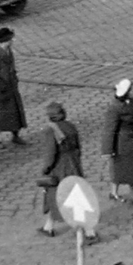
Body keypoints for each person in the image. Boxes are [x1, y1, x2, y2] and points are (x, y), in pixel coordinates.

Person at [36, 101, 95, 241]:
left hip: (59, 168)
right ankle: (48, 226)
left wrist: (45, 169)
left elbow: (50, 155)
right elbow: (78, 147)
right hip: (73, 164)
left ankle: (89, 232)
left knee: (57, 196)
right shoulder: (71, 127)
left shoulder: (49, 131)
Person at [102, 78, 133, 206]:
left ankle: (123, 193)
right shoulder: (114, 108)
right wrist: (108, 149)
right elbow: (110, 129)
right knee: (122, 169)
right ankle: (123, 194)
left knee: (128, 169)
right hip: (120, 144)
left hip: (132, 140)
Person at [0, 27, 27, 145]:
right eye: (10, 39)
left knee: (14, 114)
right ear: (6, 40)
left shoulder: (9, 51)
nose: (12, 41)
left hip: (11, 89)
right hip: (0, 92)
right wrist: (2, 86)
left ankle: (15, 135)